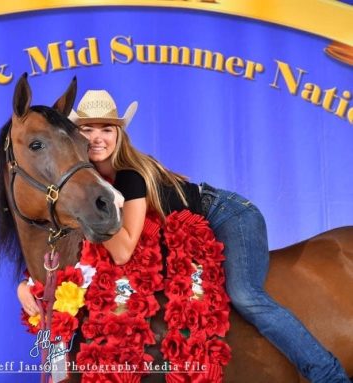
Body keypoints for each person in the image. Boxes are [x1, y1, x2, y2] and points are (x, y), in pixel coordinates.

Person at [17, 90, 350, 383]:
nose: (97, 138)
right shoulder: (85, 184)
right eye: (87, 129)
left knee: (246, 295)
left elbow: (122, 251)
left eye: (107, 129)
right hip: (177, 228)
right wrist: (29, 285)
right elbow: (69, 252)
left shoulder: (130, 177)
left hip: (227, 213)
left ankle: (327, 374)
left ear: (119, 135)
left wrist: (88, 217)